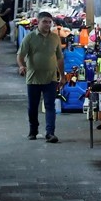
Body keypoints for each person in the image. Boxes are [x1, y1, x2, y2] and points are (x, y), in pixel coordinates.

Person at [17, 11, 65, 143]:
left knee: (50, 106)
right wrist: (21, 66)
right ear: (38, 22)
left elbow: (60, 58)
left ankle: (50, 133)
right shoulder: (30, 37)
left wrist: (62, 76)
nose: (47, 24)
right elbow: (20, 55)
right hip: (33, 78)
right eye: (44, 22)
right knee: (33, 107)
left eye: (50, 22)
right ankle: (33, 130)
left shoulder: (55, 38)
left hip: (50, 78)